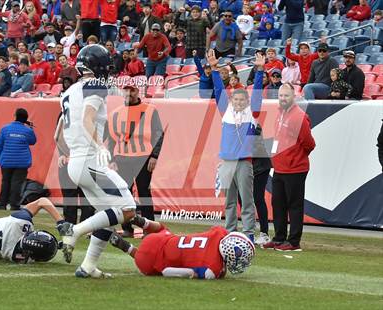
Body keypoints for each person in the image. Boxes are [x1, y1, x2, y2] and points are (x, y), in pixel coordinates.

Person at [55, 45, 138, 278]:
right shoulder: (96, 86)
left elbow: (56, 135)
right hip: (91, 161)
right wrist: (99, 145)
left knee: (107, 214)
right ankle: (75, 231)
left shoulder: (69, 91)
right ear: (97, 65)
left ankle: (88, 266)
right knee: (128, 209)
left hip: (76, 161)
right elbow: (87, 118)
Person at [207, 49, 265, 242]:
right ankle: (230, 231)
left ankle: (248, 233)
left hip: (244, 162)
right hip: (227, 162)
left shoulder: (252, 113)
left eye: (242, 99)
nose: (238, 101)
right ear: (231, 100)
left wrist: (259, 69)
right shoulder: (226, 112)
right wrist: (214, 69)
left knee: (247, 200)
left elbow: (257, 92)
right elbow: (218, 90)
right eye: (236, 99)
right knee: (229, 201)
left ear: (247, 102)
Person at [109, 215, 255, 279]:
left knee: (163, 229)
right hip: (151, 257)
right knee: (147, 263)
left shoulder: (219, 233)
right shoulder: (213, 268)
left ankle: (143, 222)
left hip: (164, 237)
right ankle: (126, 247)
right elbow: (193, 272)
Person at [105, 84, 164, 237]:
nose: (129, 93)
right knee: (125, 194)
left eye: (132, 90)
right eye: (126, 90)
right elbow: (110, 139)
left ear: (138, 92)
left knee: (144, 193)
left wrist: (154, 156)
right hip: (122, 158)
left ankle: (149, 228)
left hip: (143, 157)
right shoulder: (115, 113)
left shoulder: (150, 110)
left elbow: (159, 134)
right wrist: (111, 159)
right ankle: (127, 228)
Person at [263, 83, 316, 251]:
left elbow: (309, 143)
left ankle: (294, 242)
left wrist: (296, 157)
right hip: (279, 167)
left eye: (286, 96)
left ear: (293, 96)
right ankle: (279, 238)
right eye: (280, 96)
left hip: (295, 168)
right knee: (278, 204)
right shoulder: (280, 113)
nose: (283, 98)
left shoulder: (298, 116)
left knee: (294, 205)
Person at [0, 198, 65, 263]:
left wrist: (61, 222)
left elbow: (42, 201)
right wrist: (57, 246)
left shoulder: (21, 221)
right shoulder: (17, 256)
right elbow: (35, 253)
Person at [0, 108, 36, 211]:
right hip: (22, 162)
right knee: (17, 184)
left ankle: (1, 204)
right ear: (25, 119)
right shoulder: (27, 130)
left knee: (5, 182)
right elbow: (33, 141)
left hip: (6, 161)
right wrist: (31, 129)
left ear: (15, 116)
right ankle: (14, 205)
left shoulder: (5, 129)